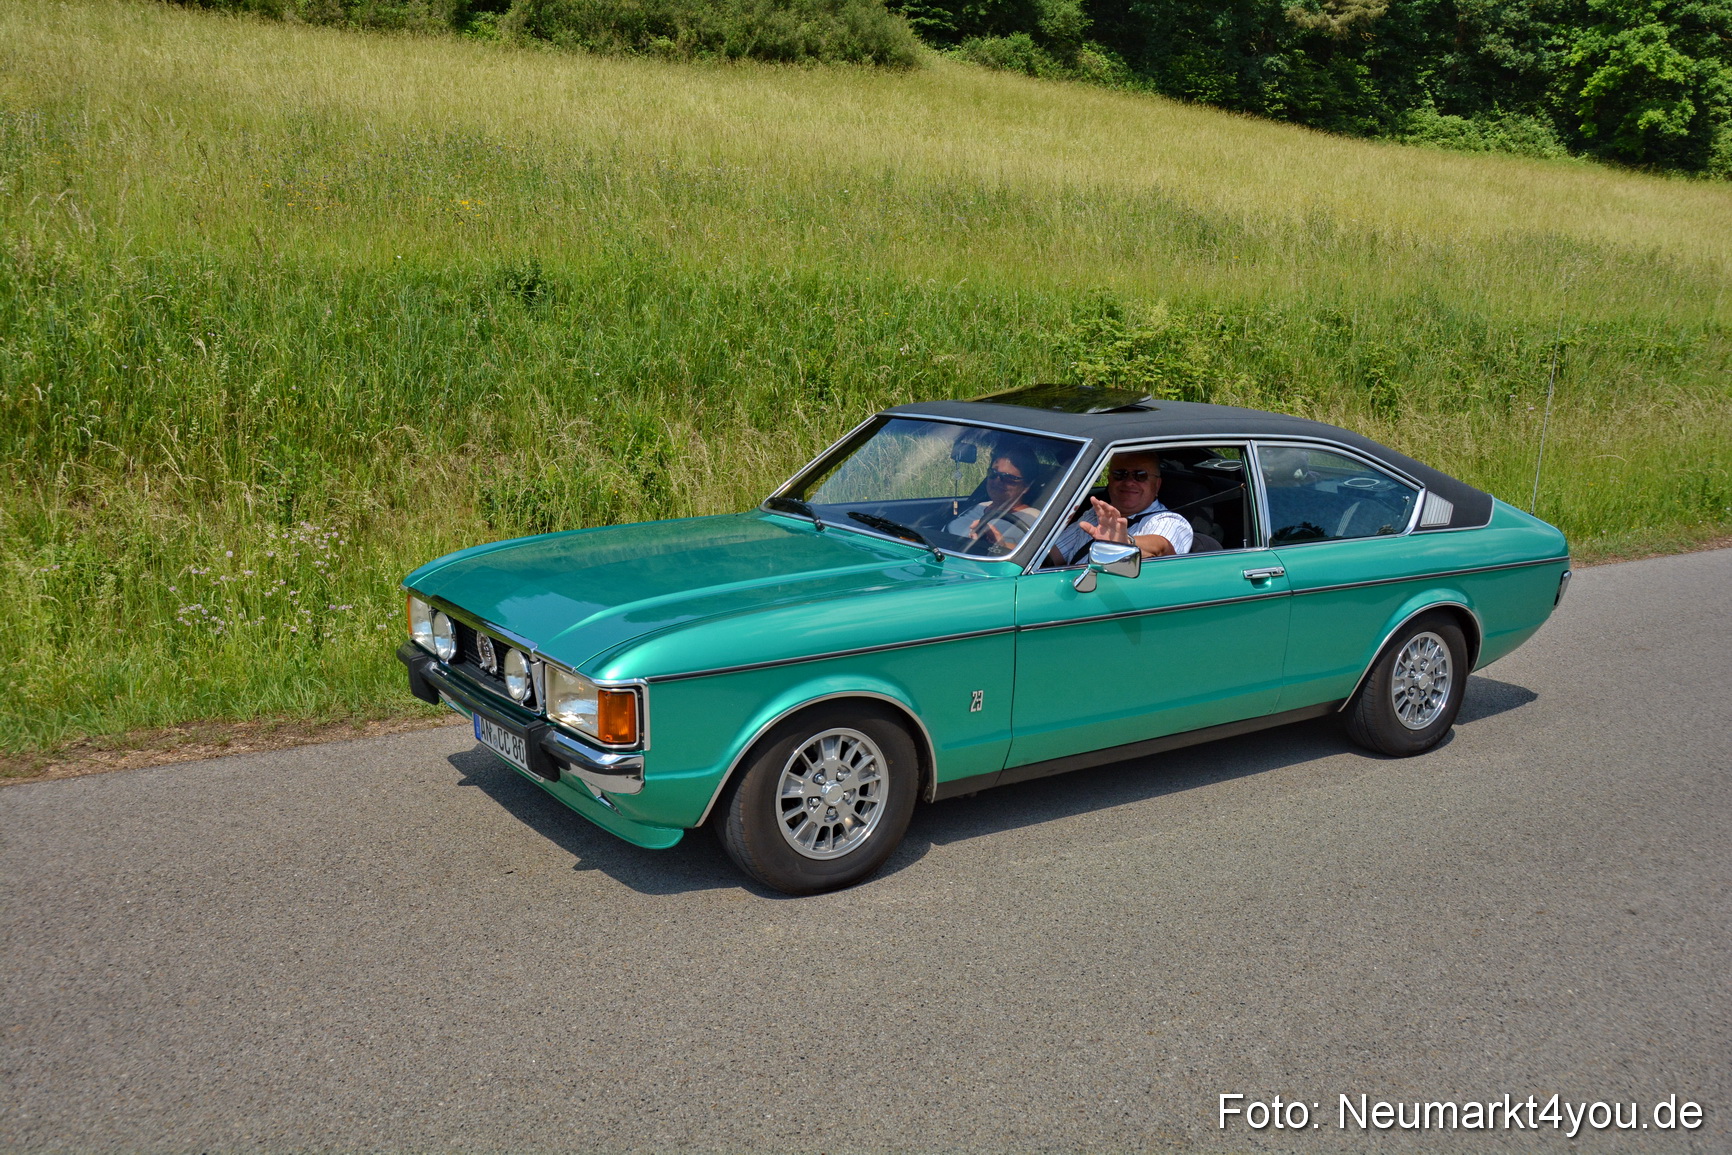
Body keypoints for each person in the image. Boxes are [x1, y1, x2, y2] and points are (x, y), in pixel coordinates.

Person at [1048, 449, 1192, 565]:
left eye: (1140, 475)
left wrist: (1125, 543)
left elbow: (1161, 548)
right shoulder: (1096, 514)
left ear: (1157, 485)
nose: (1129, 482)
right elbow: (1052, 555)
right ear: (1109, 480)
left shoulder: (1169, 521)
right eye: (1120, 474)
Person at [946, 444, 1044, 555]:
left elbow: (1047, 555)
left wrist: (1002, 546)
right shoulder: (980, 506)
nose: (997, 481)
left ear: (1026, 486)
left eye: (1008, 477)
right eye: (993, 473)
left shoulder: (1034, 519)